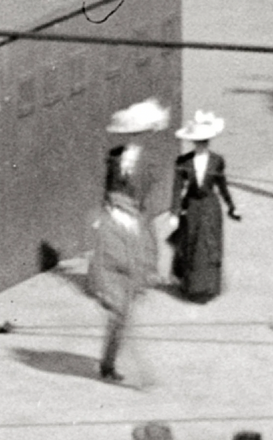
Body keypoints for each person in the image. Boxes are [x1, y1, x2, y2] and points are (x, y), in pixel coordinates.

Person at [87, 98, 169, 384]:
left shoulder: (149, 164)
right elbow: (107, 190)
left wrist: (149, 263)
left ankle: (108, 362)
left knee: (121, 312)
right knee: (118, 311)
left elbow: (145, 205)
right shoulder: (114, 157)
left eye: (138, 133)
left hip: (132, 231)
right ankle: (108, 364)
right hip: (114, 233)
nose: (133, 138)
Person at [169, 110, 240, 302]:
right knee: (192, 245)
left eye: (205, 141)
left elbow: (222, 185)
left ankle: (209, 287)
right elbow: (177, 188)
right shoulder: (183, 162)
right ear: (193, 142)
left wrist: (231, 206)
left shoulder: (217, 161)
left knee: (210, 246)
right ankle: (191, 287)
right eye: (198, 141)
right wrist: (174, 212)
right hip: (192, 207)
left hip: (210, 207)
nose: (201, 145)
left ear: (209, 141)